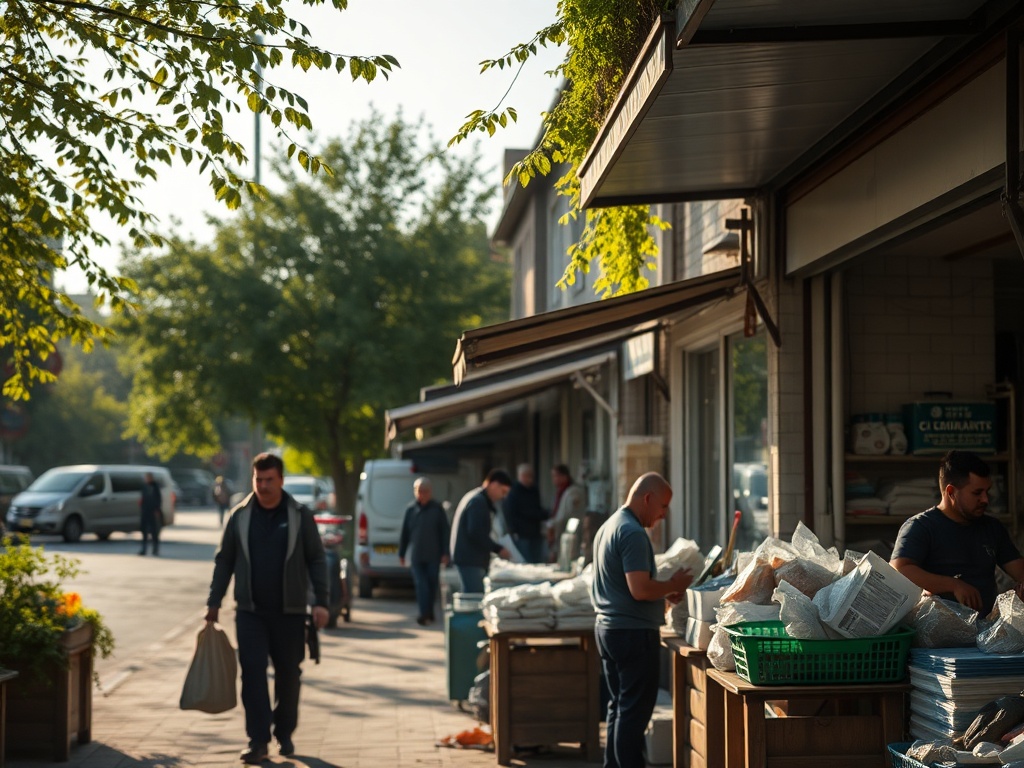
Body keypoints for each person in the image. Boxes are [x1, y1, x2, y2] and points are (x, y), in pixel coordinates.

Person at [205, 452, 329, 764]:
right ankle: (258, 739)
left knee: (289, 674)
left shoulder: (300, 516)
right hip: (250, 611)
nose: (263, 486)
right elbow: (225, 561)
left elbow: (316, 558)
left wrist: (322, 602)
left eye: (269, 480)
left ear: (281, 480)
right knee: (253, 673)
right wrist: (214, 601)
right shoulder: (240, 516)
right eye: (258, 480)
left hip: (290, 611)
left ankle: (284, 732)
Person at [590, 472, 693, 768]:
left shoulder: (609, 525)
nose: (663, 515)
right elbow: (639, 588)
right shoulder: (633, 532)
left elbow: (627, 588)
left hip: (609, 630)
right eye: (663, 506)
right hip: (632, 635)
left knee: (619, 708)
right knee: (633, 714)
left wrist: (663, 593)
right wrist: (673, 585)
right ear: (647, 498)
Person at [891, 449, 1024, 616]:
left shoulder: (992, 528)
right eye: (977, 493)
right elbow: (900, 570)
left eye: (987, 491)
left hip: (985, 631)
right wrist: (954, 585)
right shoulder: (920, 526)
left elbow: (1019, 571)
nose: (985, 499)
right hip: (935, 634)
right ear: (951, 492)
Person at [450, 469, 513, 594]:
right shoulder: (478, 502)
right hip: (470, 560)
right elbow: (475, 532)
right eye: (503, 491)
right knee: (474, 598)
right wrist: (498, 549)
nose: (503, 496)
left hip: (470, 559)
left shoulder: (478, 499)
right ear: (494, 484)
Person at [399, 477, 450, 625]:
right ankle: (423, 613)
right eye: (419, 491)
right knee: (421, 585)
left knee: (431, 585)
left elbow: (444, 532)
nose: (422, 494)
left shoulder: (437, 509)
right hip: (417, 556)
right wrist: (402, 553)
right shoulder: (411, 510)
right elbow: (405, 534)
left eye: (425, 491)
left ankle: (429, 612)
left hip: (433, 555)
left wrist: (445, 553)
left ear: (430, 492)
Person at [502, 464, 549, 563]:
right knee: (525, 561)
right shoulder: (513, 491)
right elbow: (509, 512)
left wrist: (545, 514)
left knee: (537, 560)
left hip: (535, 532)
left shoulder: (534, 490)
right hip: (521, 533)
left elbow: (537, 508)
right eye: (528, 476)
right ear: (522, 476)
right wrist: (513, 530)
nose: (531, 479)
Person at [547, 463, 588, 560]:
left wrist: (552, 526)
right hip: (562, 534)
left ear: (564, 476)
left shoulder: (573, 492)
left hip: (569, 534)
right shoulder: (560, 491)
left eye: (555, 476)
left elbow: (566, 515)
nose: (554, 479)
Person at [139, 471, 162, 556]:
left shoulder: (155, 486)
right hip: (145, 511)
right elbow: (143, 498)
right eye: (146, 477)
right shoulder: (144, 486)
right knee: (143, 530)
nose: (146, 479)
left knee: (154, 531)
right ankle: (144, 549)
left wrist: (157, 510)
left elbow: (158, 499)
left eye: (148, 477)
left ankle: (155, 549)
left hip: (153, 511)